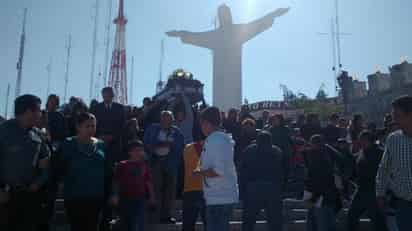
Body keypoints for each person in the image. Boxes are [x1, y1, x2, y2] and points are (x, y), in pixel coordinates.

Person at [0, 95, 50, 231]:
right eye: (38, 110)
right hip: (5, 196)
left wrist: (38, 183)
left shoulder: (38, 135)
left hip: (29, 195)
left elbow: (47, 163)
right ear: (29, 112)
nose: (40, 114)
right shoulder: (4, 131)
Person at [56, 112, 110, 231]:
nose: (91, 129)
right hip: (75, 195)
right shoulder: (68, 144)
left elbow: (107, 170)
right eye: (87, 126)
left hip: (96, 195)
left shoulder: (101, 145)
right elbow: (59, 168)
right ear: (78, 127)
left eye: (93, 126)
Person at [194, 107, 238, 231]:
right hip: (220, 196)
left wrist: (200, 173)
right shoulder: (218, 139)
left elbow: (219, 171)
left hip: (219, 198)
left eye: (201, 123)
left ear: (207, 123)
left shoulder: (216, 140)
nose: (201, 127)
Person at [376, 96, 412, 231]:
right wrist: (380, 193)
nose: (394, 120)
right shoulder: (393, 139)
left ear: (410, 115)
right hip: (404, 206)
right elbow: (384, 168)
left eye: (397, 115)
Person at [240, 131, 288, 231]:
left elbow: (242, 171)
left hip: (253, 188)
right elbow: (284, 170)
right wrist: (282, 187)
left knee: (248, 220)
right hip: (273, 188)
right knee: (275, 221)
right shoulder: (277, 151)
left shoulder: (249, 150)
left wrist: (242, 189)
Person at [144, 111, 184, 224]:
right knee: (156, 189)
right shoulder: (152, 128)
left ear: (172, 120)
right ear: (160, 120)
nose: (166, 122)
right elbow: (146, 143)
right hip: (155, 162)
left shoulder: (177, 132)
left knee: (170, 191)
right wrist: (157, 145)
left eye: (168, 119)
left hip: (171, 164)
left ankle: (166, 215)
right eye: (164, 119)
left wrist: (171, 146)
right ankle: (155, 215)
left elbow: (181, 147)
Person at [111, 140, 156, 231]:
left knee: (139, 223)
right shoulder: (122, 165)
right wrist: (115, 195)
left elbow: (148, 182)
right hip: (125, 198)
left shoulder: (144, 165)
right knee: (125, 223)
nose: (139, 153)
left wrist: (152, 197)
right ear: (130, 152)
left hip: (140, 198)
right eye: (136, 150)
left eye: (141, 150)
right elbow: (117, 181)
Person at [347, 130, 388, 231]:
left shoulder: (380, 153)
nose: (361, 142)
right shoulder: (361, 153)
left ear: (369, 140)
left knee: (377, 220)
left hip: (374, 191)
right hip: (361, 190)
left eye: (363, 140)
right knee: (351, 216)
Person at [303, 134, 341, 231]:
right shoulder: (326, 154)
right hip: (323, 192)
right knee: (320, 219)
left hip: (316, 192)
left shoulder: (312, 155)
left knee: (318, 220)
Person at [182, 140, 206, 231]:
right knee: (210, 225)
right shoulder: (212, 148)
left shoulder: (187, 148)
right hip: (207, 191)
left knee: (188, 226)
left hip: (189, 190)